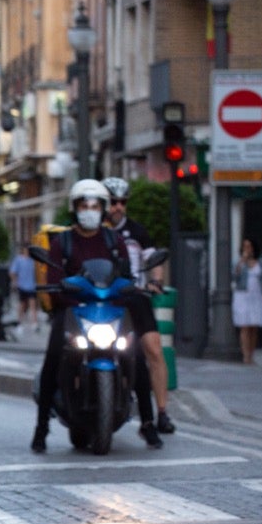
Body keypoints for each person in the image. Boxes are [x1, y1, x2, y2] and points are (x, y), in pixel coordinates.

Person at [33, 179, 147, 453]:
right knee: (53, 357)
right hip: (73, 309)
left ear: (103, 209)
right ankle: (41, 428)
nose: (90, 211)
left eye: (95, 206)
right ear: (75, 208)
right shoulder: (63, 243)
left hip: (110, 309)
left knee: (138, 356)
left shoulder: (113, 240)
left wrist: (128, 289)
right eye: (84, 205)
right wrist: (68, 294)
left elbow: (125, 276)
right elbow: (55, 280)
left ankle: (150, 423)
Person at [102, 177, 174, 436]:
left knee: (154, 349)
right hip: (105, 299)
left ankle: (162, 413)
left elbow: (153, 259)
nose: (118, 207)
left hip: (136, 295)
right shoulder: (94, 231)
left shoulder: (138, 231)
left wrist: (156, 280)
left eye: (122, 202)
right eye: (113, 202)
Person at [233, 236, 262, 364]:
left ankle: (252, 354)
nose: (247, 249)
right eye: (244, 246)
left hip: (257, 296)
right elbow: (235, 276)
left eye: (249, 246)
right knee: (244, 326)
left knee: (254, 327)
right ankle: (245, 355)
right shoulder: (239, 262)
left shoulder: (261, 262)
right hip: (243, 296)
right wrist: (242, 260)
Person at [8, 247, 39, 334]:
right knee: (22, 305)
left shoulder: (32, 261)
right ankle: (19, 323)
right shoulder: (19, 260)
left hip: (31, 286)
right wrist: (15, 282)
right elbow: (12, 272)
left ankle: (34, 323)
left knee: (33, 305)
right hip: (22, 286)